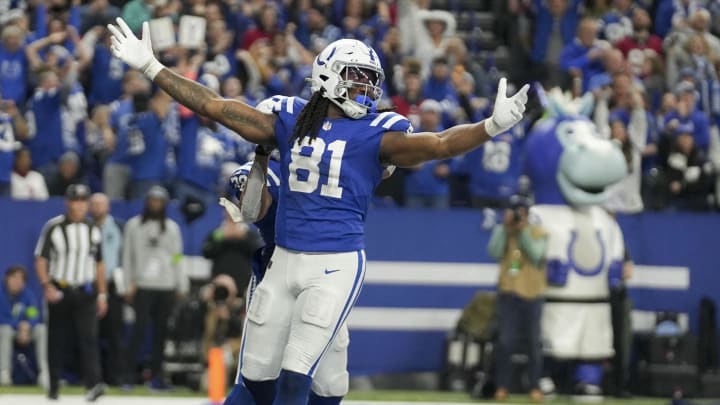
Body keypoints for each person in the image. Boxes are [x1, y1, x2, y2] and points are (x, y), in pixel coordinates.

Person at [108, 18, 529, 405]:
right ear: (327, 76)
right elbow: (214, 106)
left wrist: (489, 126)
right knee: (255, 383)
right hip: (282, 259)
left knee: (298, 375)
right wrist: (151, 67)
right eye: (357, 78)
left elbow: (438, 144)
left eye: (371, 81)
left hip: (334, 263)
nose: (367, 89)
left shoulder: (377, 132)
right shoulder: (290, 119)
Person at [34, 183, 107, 401]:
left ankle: (93, 384)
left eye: (83, 201)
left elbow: (100, 264)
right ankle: (54, 384)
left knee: (89, 339)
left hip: (85, 291)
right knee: (57, 340)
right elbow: (41, 258)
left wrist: (102, 293)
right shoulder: (54, 227)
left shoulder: (94, 229)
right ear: (68, 203)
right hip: (61, 289)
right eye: (76, 201)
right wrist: (47, 285)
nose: (80, 205)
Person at [122, 185, 184, 390]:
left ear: (164, 205)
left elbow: (177, 256)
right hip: (142, 285)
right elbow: (127, 256)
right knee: (138, 331)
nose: (155, 204)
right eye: (152, 200)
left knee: (161, 333)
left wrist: (180, 283)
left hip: (166, 286)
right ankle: (128, 376)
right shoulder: (134, 226)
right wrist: (127, 283)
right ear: (147, 202)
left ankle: (157, 378)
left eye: (159, 201)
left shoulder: (172, 228)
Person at [487, 196, 547, 402]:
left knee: (533, 343)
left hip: (532, 293)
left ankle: (535, 386)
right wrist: (504, 229)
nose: (519, 215)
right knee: (505, 342)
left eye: (522, 212)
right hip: (508, 292)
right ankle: (502, 386)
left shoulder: (538, 232)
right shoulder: (504, 231)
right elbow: (493, 252)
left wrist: (523, 232)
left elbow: (537, 254)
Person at [89, 192, 125, 386]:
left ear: (108, 207)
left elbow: (127, 255)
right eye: (93, 204)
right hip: (90, 285)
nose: (97, 208)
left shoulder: (119, 227)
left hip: (113, 284)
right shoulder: (84, 227)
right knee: (89, 334)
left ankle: (116, 377)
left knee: (115, 334)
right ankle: (90, 376)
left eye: (100, 204)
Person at [0, 265, 47, 387]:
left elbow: (34, 315)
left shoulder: (28, 295)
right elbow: (2, 318)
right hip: (8, 331)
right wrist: (19, 326)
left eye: (20, 279)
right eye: (14, 278)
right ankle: (4, 372)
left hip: (25, 332)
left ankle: (44, 373)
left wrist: (28, 326)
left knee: (41, 330)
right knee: (5, 330)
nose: (17, 282)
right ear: (7, 279)